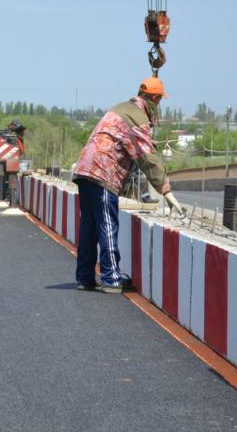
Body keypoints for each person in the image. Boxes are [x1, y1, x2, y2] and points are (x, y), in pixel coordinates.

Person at [72, 77, 185, 294]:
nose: (159, 106)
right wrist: (167, 191)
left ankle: (84, 278)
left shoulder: (121, 108)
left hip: (85, 170)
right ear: (153, 98)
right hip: (102, 173)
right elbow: (147, 156)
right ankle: (112, 278)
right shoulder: (137, 117)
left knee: (89, 226)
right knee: (107, 225)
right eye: (159, 101)